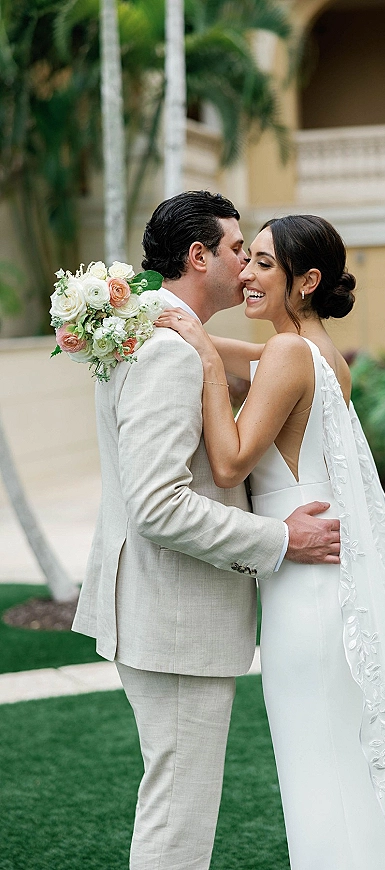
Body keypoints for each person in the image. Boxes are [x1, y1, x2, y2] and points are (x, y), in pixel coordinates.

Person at [156, 213, 385, 870]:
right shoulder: (318, 355)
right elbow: (260, 360)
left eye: (265, 263)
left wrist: (204, 354)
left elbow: (232, 462)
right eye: (249, 258)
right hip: (322, 592)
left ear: (307, 279)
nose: (247, 273)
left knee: (321, 779)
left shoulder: (292, 356)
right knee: (341, 773)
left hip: (305, 599)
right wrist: (194, 337)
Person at [72, 192, 341, 870]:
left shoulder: (157, 337)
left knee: (176, 807)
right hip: (175, 619)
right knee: (177, 820)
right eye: (234, 249)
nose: (244, 266)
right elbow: (159, 507)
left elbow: (275, 366)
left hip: (166, 611)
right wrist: (281, 540)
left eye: (258, 257)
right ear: (198, 256)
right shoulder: (168, 353)